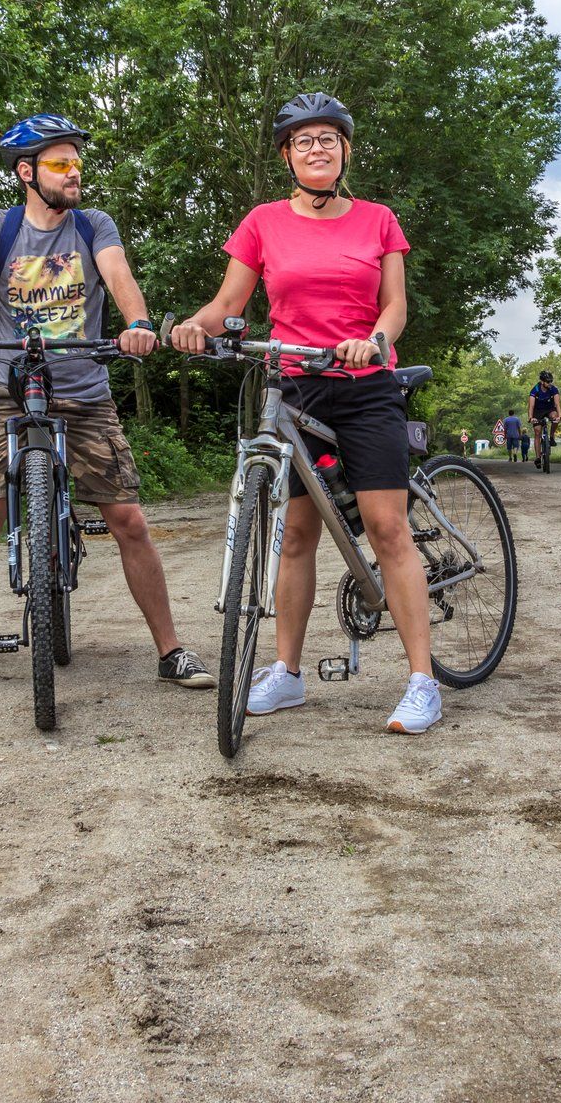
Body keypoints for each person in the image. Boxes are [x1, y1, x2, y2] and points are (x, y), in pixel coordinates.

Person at [0, 113, 212, 696]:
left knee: (129, 521)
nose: (74, 172)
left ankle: (171, 650)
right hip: (12, 395)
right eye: (59, 163)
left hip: (86, 396)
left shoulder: (93, 225)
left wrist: (137, 324)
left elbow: (117, 274)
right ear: (27, 172)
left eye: (77, 162)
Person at [171, 91, 441, 735]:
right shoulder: (262, 222)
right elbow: (228, 304)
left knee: (387, 528)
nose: (316, 149)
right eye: (303, 141)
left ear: (344, 150)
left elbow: (395, 305)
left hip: (365, 383)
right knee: (294, 535)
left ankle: (422, 682)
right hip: (295, 386)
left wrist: (374, 340)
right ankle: (286, 673)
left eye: (327, 139)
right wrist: (192, 327)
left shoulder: (378, 220)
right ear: (287, 156)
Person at [527, 371, 561, 468]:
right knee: (537, 431)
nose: (550, 383)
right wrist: (530, 417)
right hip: (538, 411)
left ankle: (551, 436)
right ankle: (538, 457)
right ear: (542, 381)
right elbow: (531, 406)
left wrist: (560, 416)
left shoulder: (553, 389)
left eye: (551, 381)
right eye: (548, 382)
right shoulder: (535, 390)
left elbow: (557, 404)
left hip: (549, 409)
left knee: (555, 417)